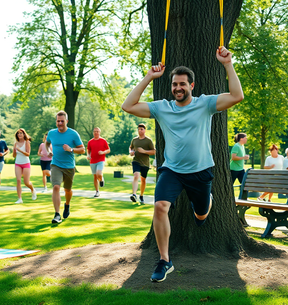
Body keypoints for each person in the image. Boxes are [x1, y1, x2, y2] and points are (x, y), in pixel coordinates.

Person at [122, 46, 244, 282]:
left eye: (182, 84)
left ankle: (204, 203)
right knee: (160, 207)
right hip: (172, 170)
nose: (178, 88)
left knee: (200, 216)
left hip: (201, 172)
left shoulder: (205, 104)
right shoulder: (162, 108)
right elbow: (128, 106)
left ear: (192, 86)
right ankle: (165, 260)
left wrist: (228, 64)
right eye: (174, 84)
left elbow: (237, 96)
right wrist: (149, 76)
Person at [45, 111, 85, 224]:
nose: (60, 123)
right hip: (55, 164)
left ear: (66, 121)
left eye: (62, 121)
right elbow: (46, 143)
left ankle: (67, 204)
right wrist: (48, 150)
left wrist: (71, 149)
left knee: (67, 190)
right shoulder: (52, 133)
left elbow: (82, 150)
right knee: (56, 187)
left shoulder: (73, 134)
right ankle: (57, 214)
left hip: (69, 166)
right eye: (58, 121)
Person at [129, 123, 155, 204]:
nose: (140, 131)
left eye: (141, 129)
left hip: (145, 163)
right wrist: (131, 152)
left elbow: (154, 151)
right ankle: (134, 194)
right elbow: (131, 147)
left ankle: (141, 195)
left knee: (143, 180)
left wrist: (144, 151)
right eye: (139, 129)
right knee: (136, 175)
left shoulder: (148, 141)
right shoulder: (134, 140)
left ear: (145, 130)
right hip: (136, 161)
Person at [13, 128, 37, 204]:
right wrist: (14, 150)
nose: (19, 134)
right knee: (18, 180)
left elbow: (27, 154)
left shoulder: (27, 142)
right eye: (18, 133)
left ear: (24, 134)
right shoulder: (16, 143)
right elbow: (14, 156)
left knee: (26, 182)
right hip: (18, 163)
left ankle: (33, 189)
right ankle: (19, 199)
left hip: (26, 163)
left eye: (21, 133)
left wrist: (19, 150)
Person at [87, 127, 110, 197]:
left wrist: (103, 152)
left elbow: (108, 150)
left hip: (101, 160)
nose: (96, 133)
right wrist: (88, 155)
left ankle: (101, 178)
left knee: (98, 173)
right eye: (94, 131)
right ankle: (97, 191)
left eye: (97, 131)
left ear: (99, 132)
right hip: (92, 161)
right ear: (93, 133)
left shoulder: (103, 141)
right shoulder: (90, 142)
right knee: (95, 176)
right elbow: (88, 150)